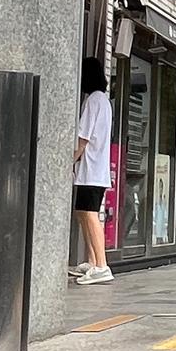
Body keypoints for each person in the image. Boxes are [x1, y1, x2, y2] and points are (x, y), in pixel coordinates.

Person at [71, 57, 113, 285]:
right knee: (82, 213)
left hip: (91, 170)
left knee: (89, 214)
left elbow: (83, 138)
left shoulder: (92, 101)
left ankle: (101, 265)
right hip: (97, 170)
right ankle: (91, 260)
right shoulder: (104, 101)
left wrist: (70, 160)